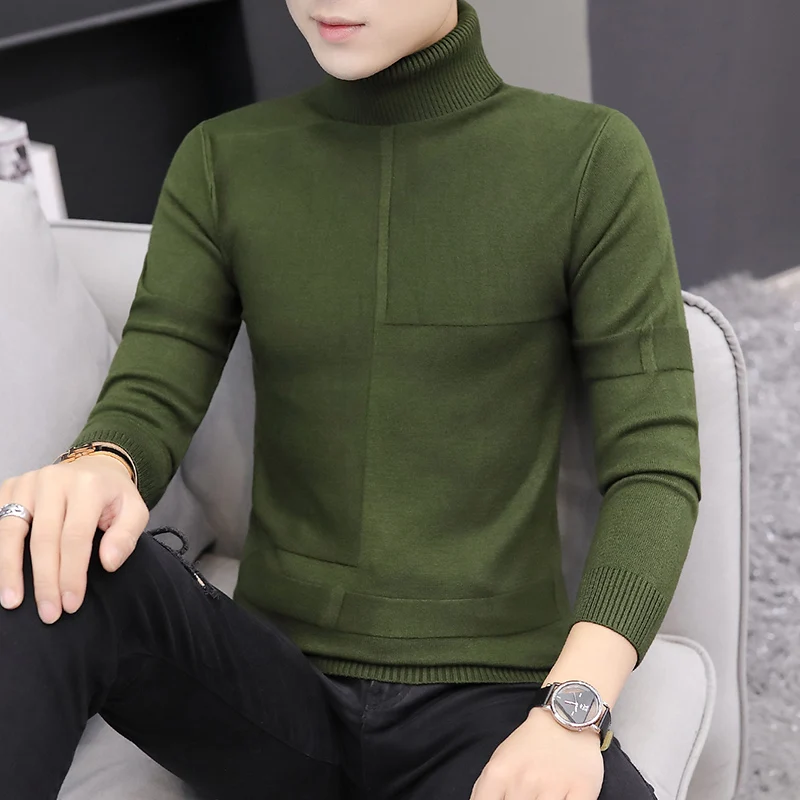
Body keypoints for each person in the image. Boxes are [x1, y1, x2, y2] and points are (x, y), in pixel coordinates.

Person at [0, 1, 701, 798]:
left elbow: (655, 463)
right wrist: (99, 463)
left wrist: (572, 711)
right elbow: (156, 378)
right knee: (32, 539)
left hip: (491, 706)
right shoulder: (224, 159)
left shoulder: (588, 158)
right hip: (267, 692)